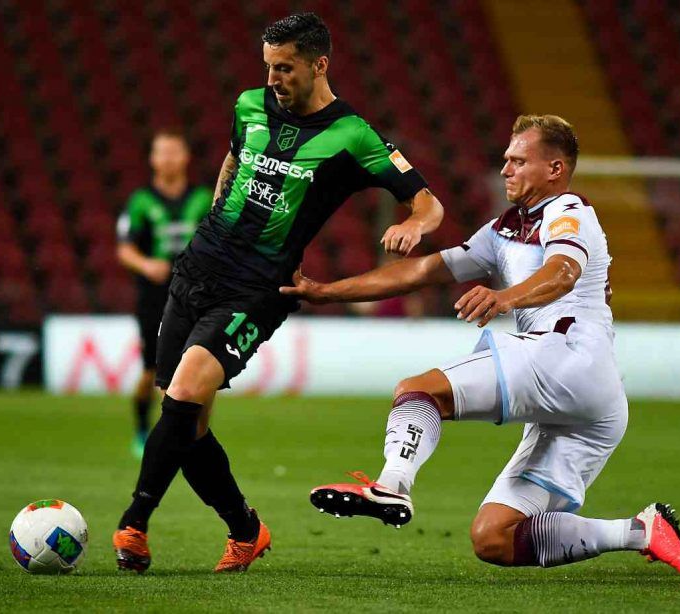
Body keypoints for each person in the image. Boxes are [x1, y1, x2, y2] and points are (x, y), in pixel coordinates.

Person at [281, 115, 680, 585]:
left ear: (555, 169)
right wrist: (326, 292)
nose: (505, 169)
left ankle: (393, 485)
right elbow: (424, 271)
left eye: (519, 160)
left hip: (568, 355)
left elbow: (563, 272)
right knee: (495, 538)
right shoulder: (505, 229)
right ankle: (641, 532)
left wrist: (505, 298)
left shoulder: (569, 211)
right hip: (592, 405)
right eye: (506, 159)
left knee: (420, 391)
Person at [112, 13, 444, 573]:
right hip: (197, 270)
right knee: (186, 423)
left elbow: (429, 203)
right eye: (268, 66)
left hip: (258, 287)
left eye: (285, 67)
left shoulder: (353, 135)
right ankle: (246, 529)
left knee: (183, 394)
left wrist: (414, 224)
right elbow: (234, 158)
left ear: (320, 65)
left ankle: (134, 524)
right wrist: (218, 212)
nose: (272, 78)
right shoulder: (248, 105)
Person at [116, 130, 212, 458]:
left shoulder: (203, 198)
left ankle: (189, 436)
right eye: (162, 152)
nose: (168, 158)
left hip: (196, 295)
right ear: (152, 159)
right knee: (152, 371)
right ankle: (143, 429)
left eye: (174, 151)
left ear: (186, 157)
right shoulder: (141, 201)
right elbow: (124, 249)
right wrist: (146, 264)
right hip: (155, 297)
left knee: (196, 370)